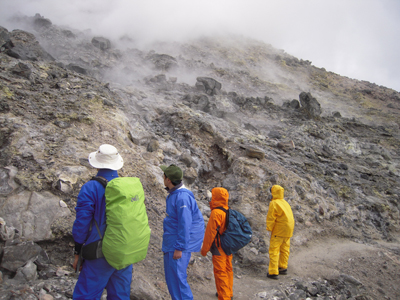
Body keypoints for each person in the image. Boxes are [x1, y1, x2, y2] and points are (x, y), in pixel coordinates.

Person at [72, 144, 132, 299]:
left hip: (101, 251)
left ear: (97, 163)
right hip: (125, 251)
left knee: (86, 294)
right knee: (120, 295)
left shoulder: (91, 188)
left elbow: (82, 224)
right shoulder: (127, 187)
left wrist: (77, 250)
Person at [161, 164, 205, 300]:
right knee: (173, 279)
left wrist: (179, 248)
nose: (162, 177)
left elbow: (185, 225)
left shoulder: (182, 198)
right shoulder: (175, 194)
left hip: (178, 245)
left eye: (164, 175)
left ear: (168, 180)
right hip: (173, 242)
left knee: (178, 280)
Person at [201, 187, 233, 300]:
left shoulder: (216, 213)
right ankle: (228, 292)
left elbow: (210, 233)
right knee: (228, 268)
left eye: (213, 195)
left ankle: (224, 296)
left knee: (220, 272)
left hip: (219, 247)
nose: (211, 197)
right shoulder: (228, 209)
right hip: (228, 246)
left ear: (216, 197)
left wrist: (204, 250)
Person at [266, 185, 295, 280]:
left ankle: (273, 272)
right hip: (288, 230)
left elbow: (271, 217)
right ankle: (283, 266)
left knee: (274, 250)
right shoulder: (285, 202)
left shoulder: (274, 203)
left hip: (279, 230)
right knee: (285, 248)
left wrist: (269, 228)